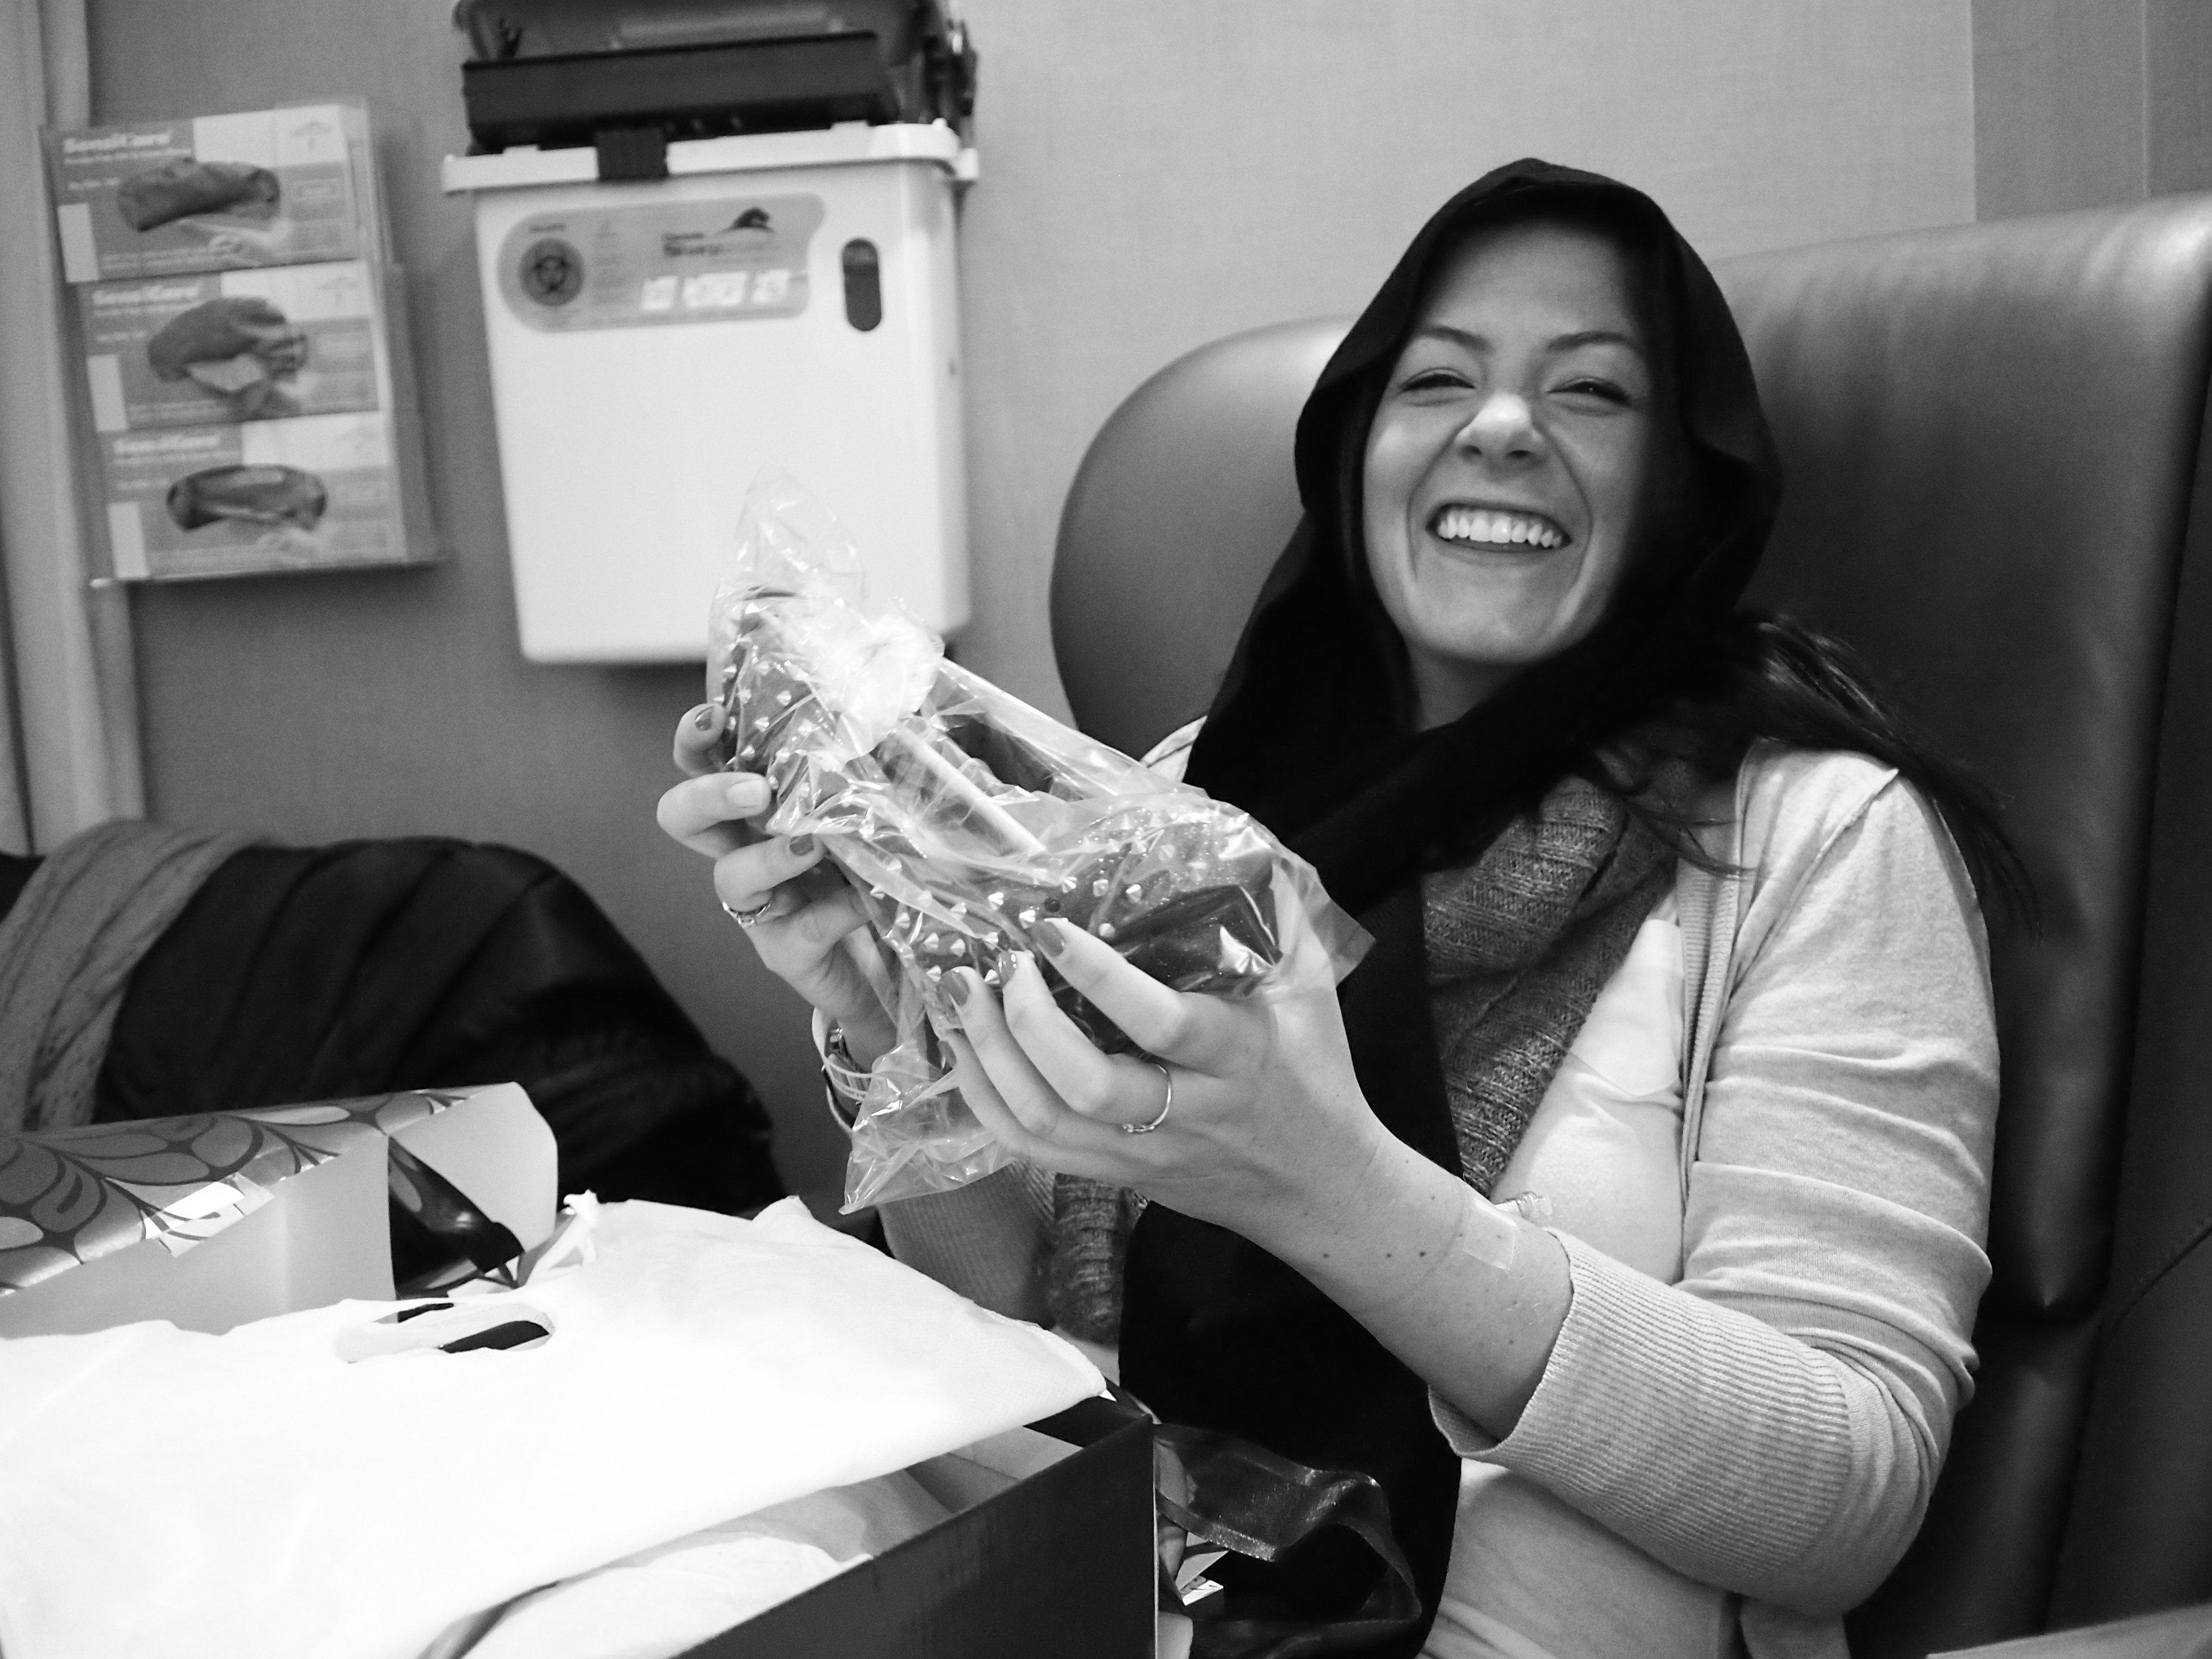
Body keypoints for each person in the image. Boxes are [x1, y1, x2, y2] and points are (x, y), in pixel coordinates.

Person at [657, 159, 2009, 1659]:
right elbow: (1027, 1314)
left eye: (1592, 393)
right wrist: (891, 1017)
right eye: (1437, 381)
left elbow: (1843, 1496)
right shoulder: (1186, 795)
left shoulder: (1818, 837)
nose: (1502, 427)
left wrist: (1325, 1183)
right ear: (1359, 447)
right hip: (1111, 1600)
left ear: (1677, 484)